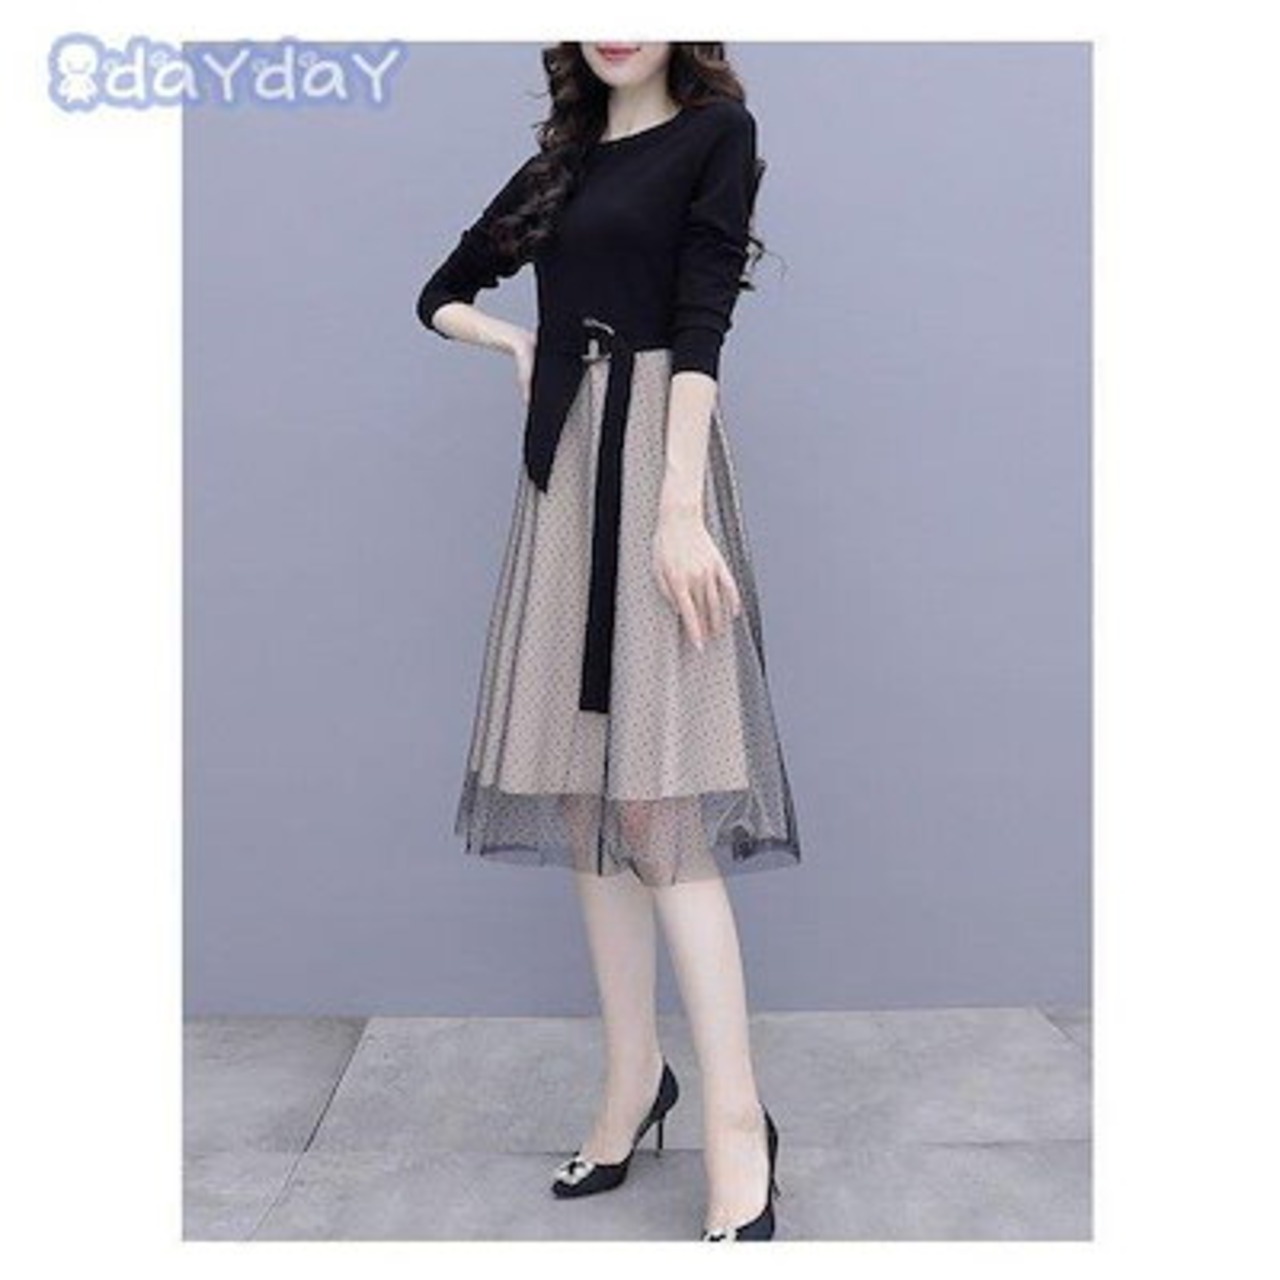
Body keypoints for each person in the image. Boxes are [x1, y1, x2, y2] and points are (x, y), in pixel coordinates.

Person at [415, 41, 801, 1242]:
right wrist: (515, 343)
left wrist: (679, 510)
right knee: (582, 786)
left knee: (657, 801)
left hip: (653, 463)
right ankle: (632, 1078)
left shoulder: (713, 134)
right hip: (565, 467)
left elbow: (700, 327)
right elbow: (442, 290)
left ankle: (735, 1120)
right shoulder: (566, 160)